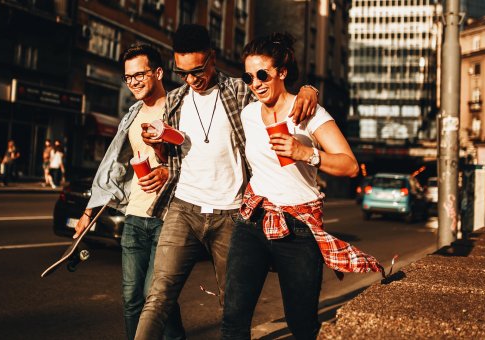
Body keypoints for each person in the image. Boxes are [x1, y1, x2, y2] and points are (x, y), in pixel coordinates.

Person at [135, 25, 318, 339]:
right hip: (184, 207)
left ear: (212, 58)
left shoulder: (239, 89)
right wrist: (157, 144)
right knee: (158, 295)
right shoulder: (176, 101)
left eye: (198, 70)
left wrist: (309, 89)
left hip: (232, 213)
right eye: (183, 72)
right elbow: (170, 156)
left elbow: (277, 91)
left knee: (232, 306)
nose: (192, 79)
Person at [221, 33, 383, 340]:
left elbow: (349, 165)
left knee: (302, 325)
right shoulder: (248, 113)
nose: (255, 83)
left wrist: (303, 152)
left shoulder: (306, 112)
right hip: (253, 219)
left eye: (262, 74)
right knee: (233, 320)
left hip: (298, 226)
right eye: (248, 76)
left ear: (281, 72)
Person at [72, 43, 186, 340]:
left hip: (169, 216)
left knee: (155, 295)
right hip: (135, 216)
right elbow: (112, 165)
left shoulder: (181, 107)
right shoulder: (132, 114)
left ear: (159, 72)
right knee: (132, 299)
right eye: (129, 77)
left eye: (140, 74)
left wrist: (170, 171)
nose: (133, 82)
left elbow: (199, 159)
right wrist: (88, 213)